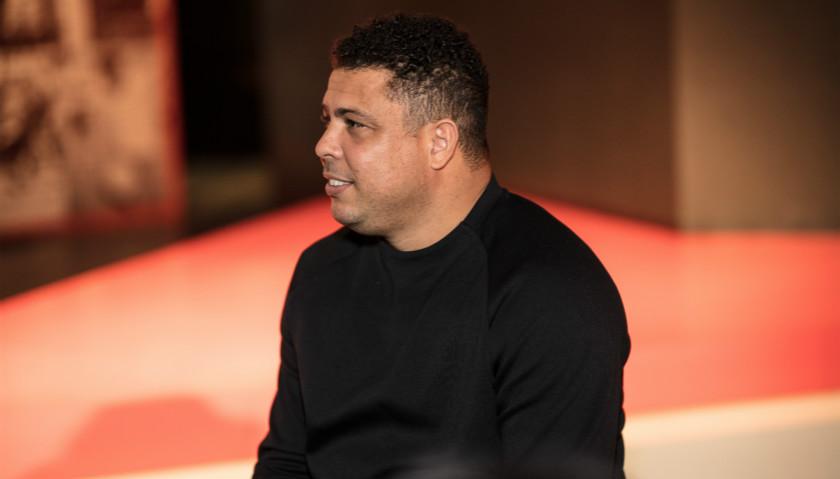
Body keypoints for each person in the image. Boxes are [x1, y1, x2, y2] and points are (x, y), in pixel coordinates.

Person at [254, 13, 629, 479]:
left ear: (439, 142)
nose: (323, 145)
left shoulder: (553, 296)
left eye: (355, 124)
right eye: (328, 120)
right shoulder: (320, 271)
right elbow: (287, 461)